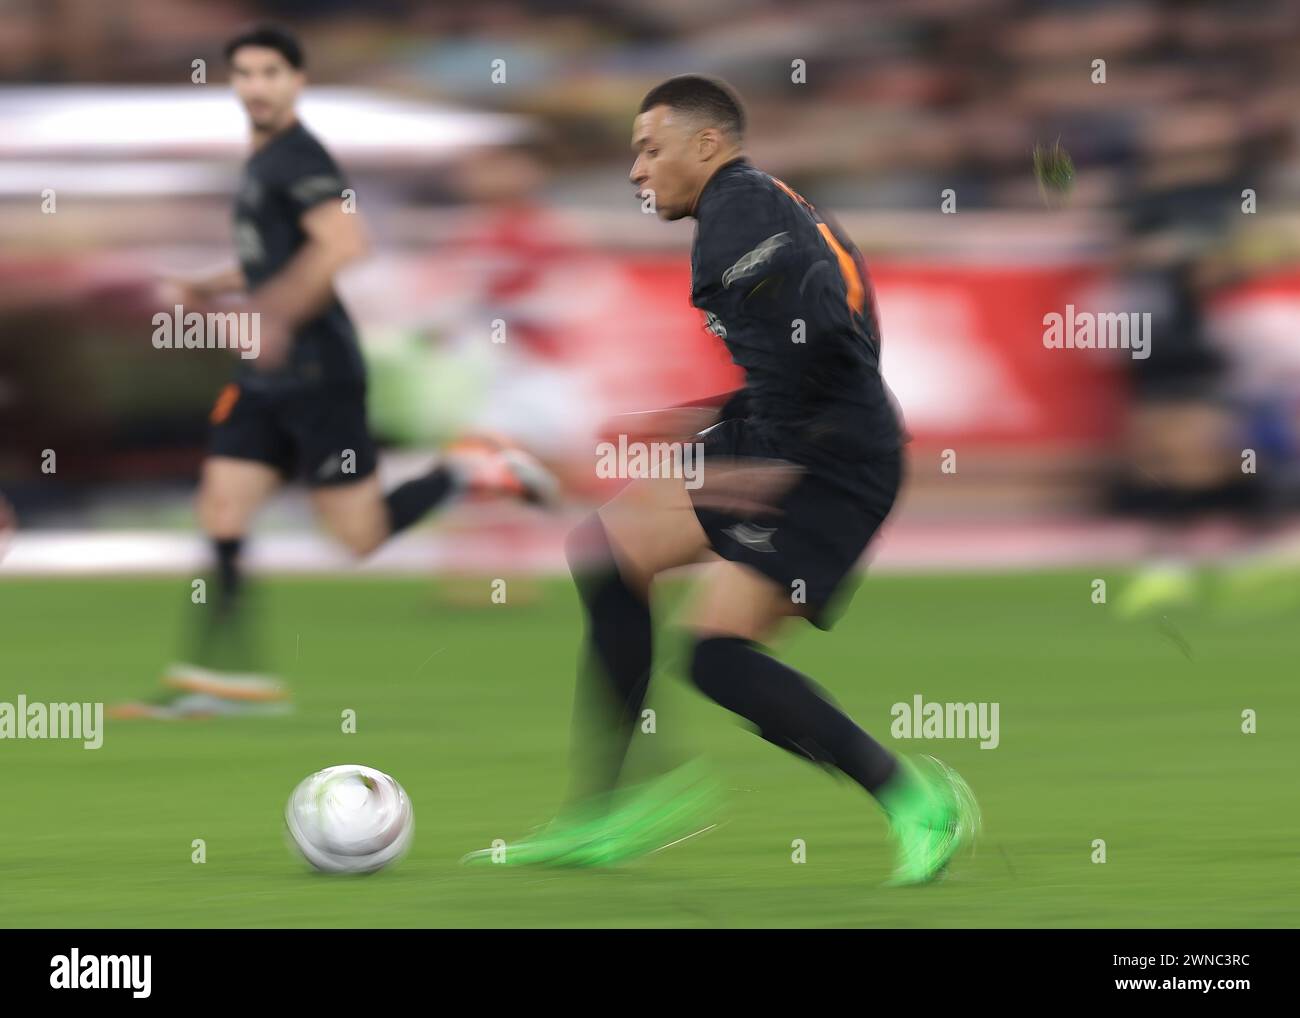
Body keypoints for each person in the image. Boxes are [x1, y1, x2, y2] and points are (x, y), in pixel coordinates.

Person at [466, 75, 977, 884]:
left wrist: (760, 465)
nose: (637, 170)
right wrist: (701, 421)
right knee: (606, 551)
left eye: (650, 148)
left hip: (829, 458)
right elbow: (811, 340)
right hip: (787, 430)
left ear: (706, 144)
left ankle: (915, 798)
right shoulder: (755, 205)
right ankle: (614, 807)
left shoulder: (739, 216)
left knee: (716, 658)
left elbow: (820, 341)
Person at [112, 26, 555, 720]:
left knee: (357, 537)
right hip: (267, 372)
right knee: (222, 509)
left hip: (319, 367)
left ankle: (465, 468)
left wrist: (282, 315)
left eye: (270, 73)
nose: (256, 86)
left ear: (296, 82)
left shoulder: (300, 158)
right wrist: (208, 285)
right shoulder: (264, 162)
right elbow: (275, 261)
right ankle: (223, 681)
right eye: (245, 74)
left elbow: (346, 243)